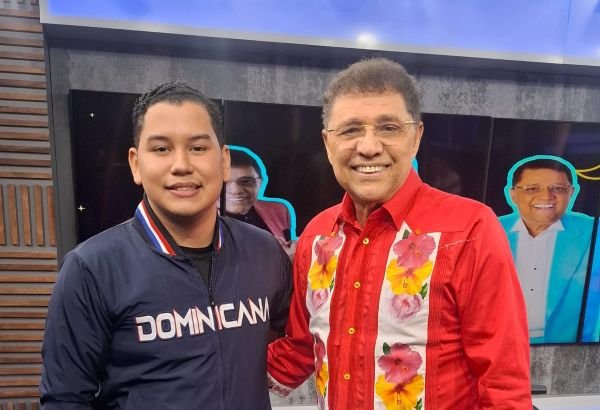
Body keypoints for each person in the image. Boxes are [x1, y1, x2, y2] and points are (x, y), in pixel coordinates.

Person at [267, 58, 531, 409]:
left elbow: (503, 382)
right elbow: (301, 348)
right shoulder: (317, 237)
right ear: (328, 143)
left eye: (389, 127)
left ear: (416, 137)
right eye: (350, 130)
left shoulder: (470, 229)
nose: (369, 147)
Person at [40, 81, 292, 409]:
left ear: (224, 161)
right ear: (136, 164)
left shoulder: (264, 251)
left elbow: (300, 334)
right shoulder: (92, 268)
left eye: (198, 147)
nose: (181, 164)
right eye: (161, 149)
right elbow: (65, 399)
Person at [499, 155, 594, 343]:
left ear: (571, 192)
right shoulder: (489, 229)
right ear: (513, 194)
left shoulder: (593, 232)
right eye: (533, 189)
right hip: (501, 345)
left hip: (571, 351)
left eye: (557, 189)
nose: (546, 196)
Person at [225, 148, 297, 258]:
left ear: (261, 183)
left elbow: (290, 250)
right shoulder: (200, 222)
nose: (236, 191)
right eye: (224, 182)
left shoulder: (279, 210)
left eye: (246, 181)